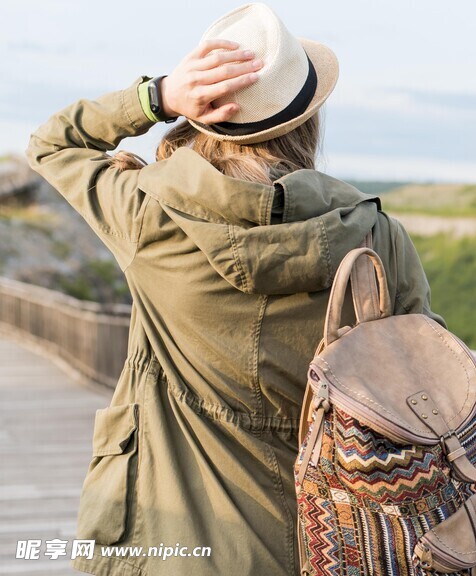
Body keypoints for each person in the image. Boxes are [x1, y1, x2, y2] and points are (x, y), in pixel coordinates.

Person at [25, 4, 443, 575]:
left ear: (204, 118)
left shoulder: (149, 217)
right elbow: (427, 374)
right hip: (336, 542)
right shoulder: (378, 238)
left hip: (176, 537)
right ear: (307, 122)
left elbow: (52, 146)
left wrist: (158, 96)